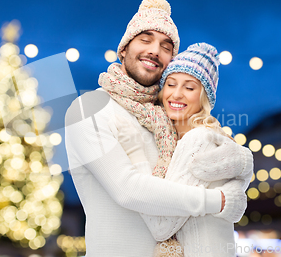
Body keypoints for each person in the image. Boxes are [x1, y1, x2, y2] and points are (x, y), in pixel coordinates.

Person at [65, 0, 249, 257]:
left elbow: (204, 166)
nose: (154, 50)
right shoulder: (90, 108)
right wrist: (219, 201)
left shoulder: (167, 119)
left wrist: (239, 167)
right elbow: (127, 189)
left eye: (166, 46)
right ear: (124, 48)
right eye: (145, 39)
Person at [103, 42, 254, 257]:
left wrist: (135, 151)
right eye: (171, 84)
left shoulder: (198, 139)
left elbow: (161, 225)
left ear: (204, 98)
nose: (177, 94)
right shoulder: (190, 138)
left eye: (189, 87)